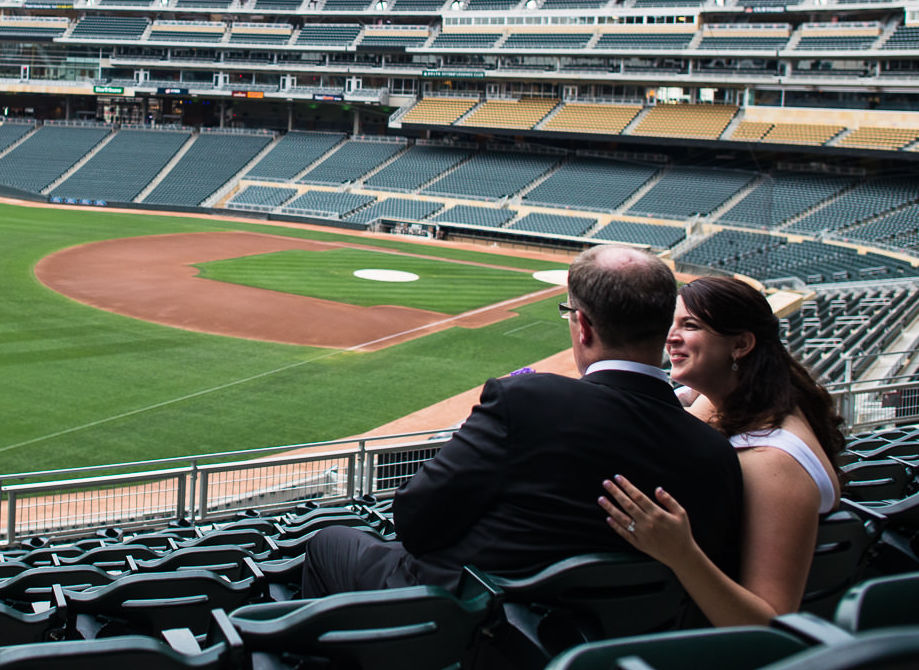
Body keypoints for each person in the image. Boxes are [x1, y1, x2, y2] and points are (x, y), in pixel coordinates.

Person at [302, 245, 744, 596]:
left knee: (329, 541)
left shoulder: (527, 401)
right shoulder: (715, 452)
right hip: (611, 639)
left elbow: (415, 520)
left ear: (583, 326)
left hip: (476, 622)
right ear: (665, 327)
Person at [598, 275, 844, 626]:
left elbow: (770, 624)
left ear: (741, 344)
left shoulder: (774, 465)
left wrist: (682, 554)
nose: (669, 336)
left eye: (690, 325)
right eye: (672, 323)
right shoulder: (732, 401)